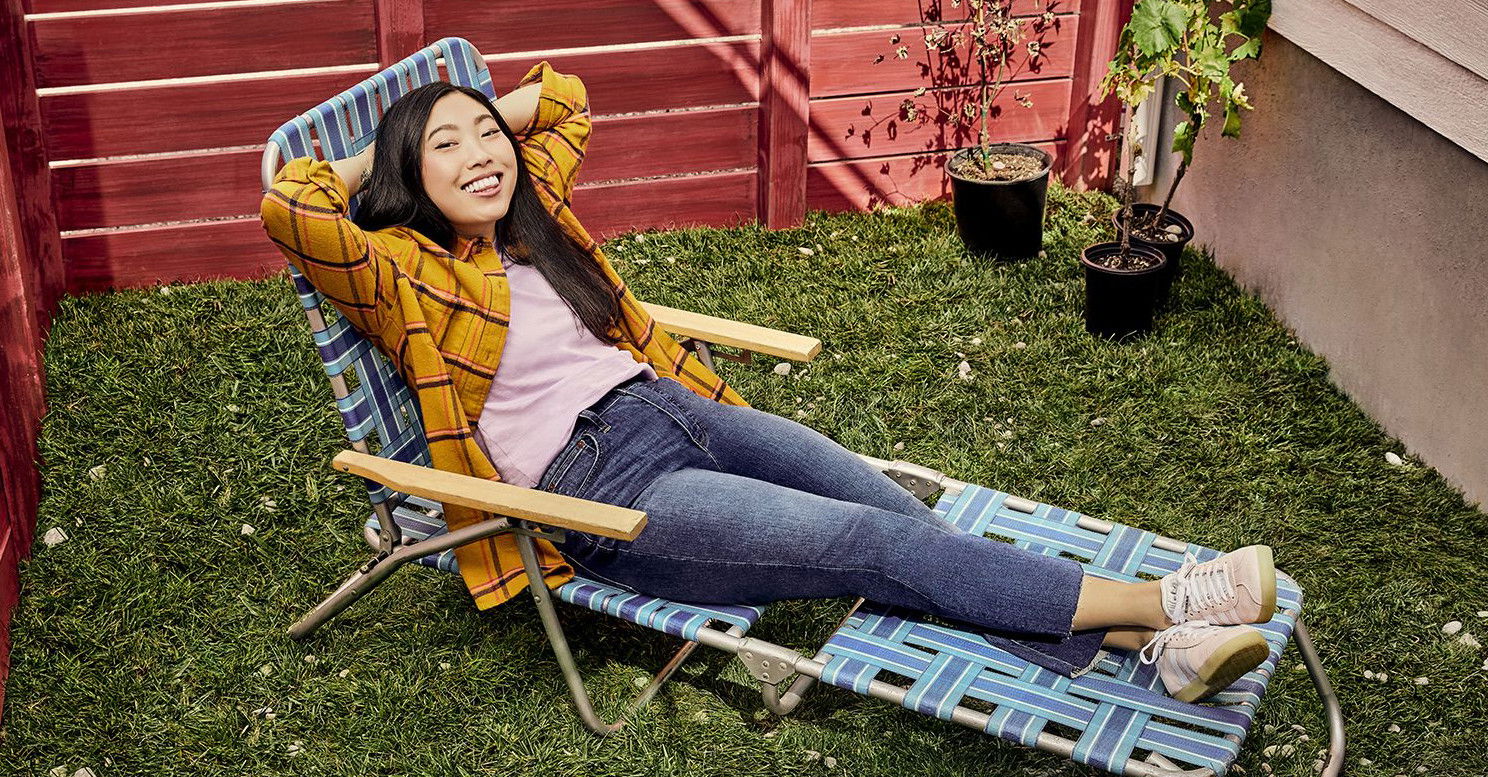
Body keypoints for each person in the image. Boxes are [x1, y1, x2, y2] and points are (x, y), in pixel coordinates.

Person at [261, 64, 1279, 703]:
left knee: (898, 515)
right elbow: (291, 205)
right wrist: (396, 151)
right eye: (448, 147)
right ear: (405, 174)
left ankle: (1160, 648)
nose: (485, 154)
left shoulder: (534, 224)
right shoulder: (399, 270)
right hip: (603, 493)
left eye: (490, 134)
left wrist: (475, 123)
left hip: (678, 411)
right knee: (873, 543)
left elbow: (565, 100)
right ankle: (1167, 599)